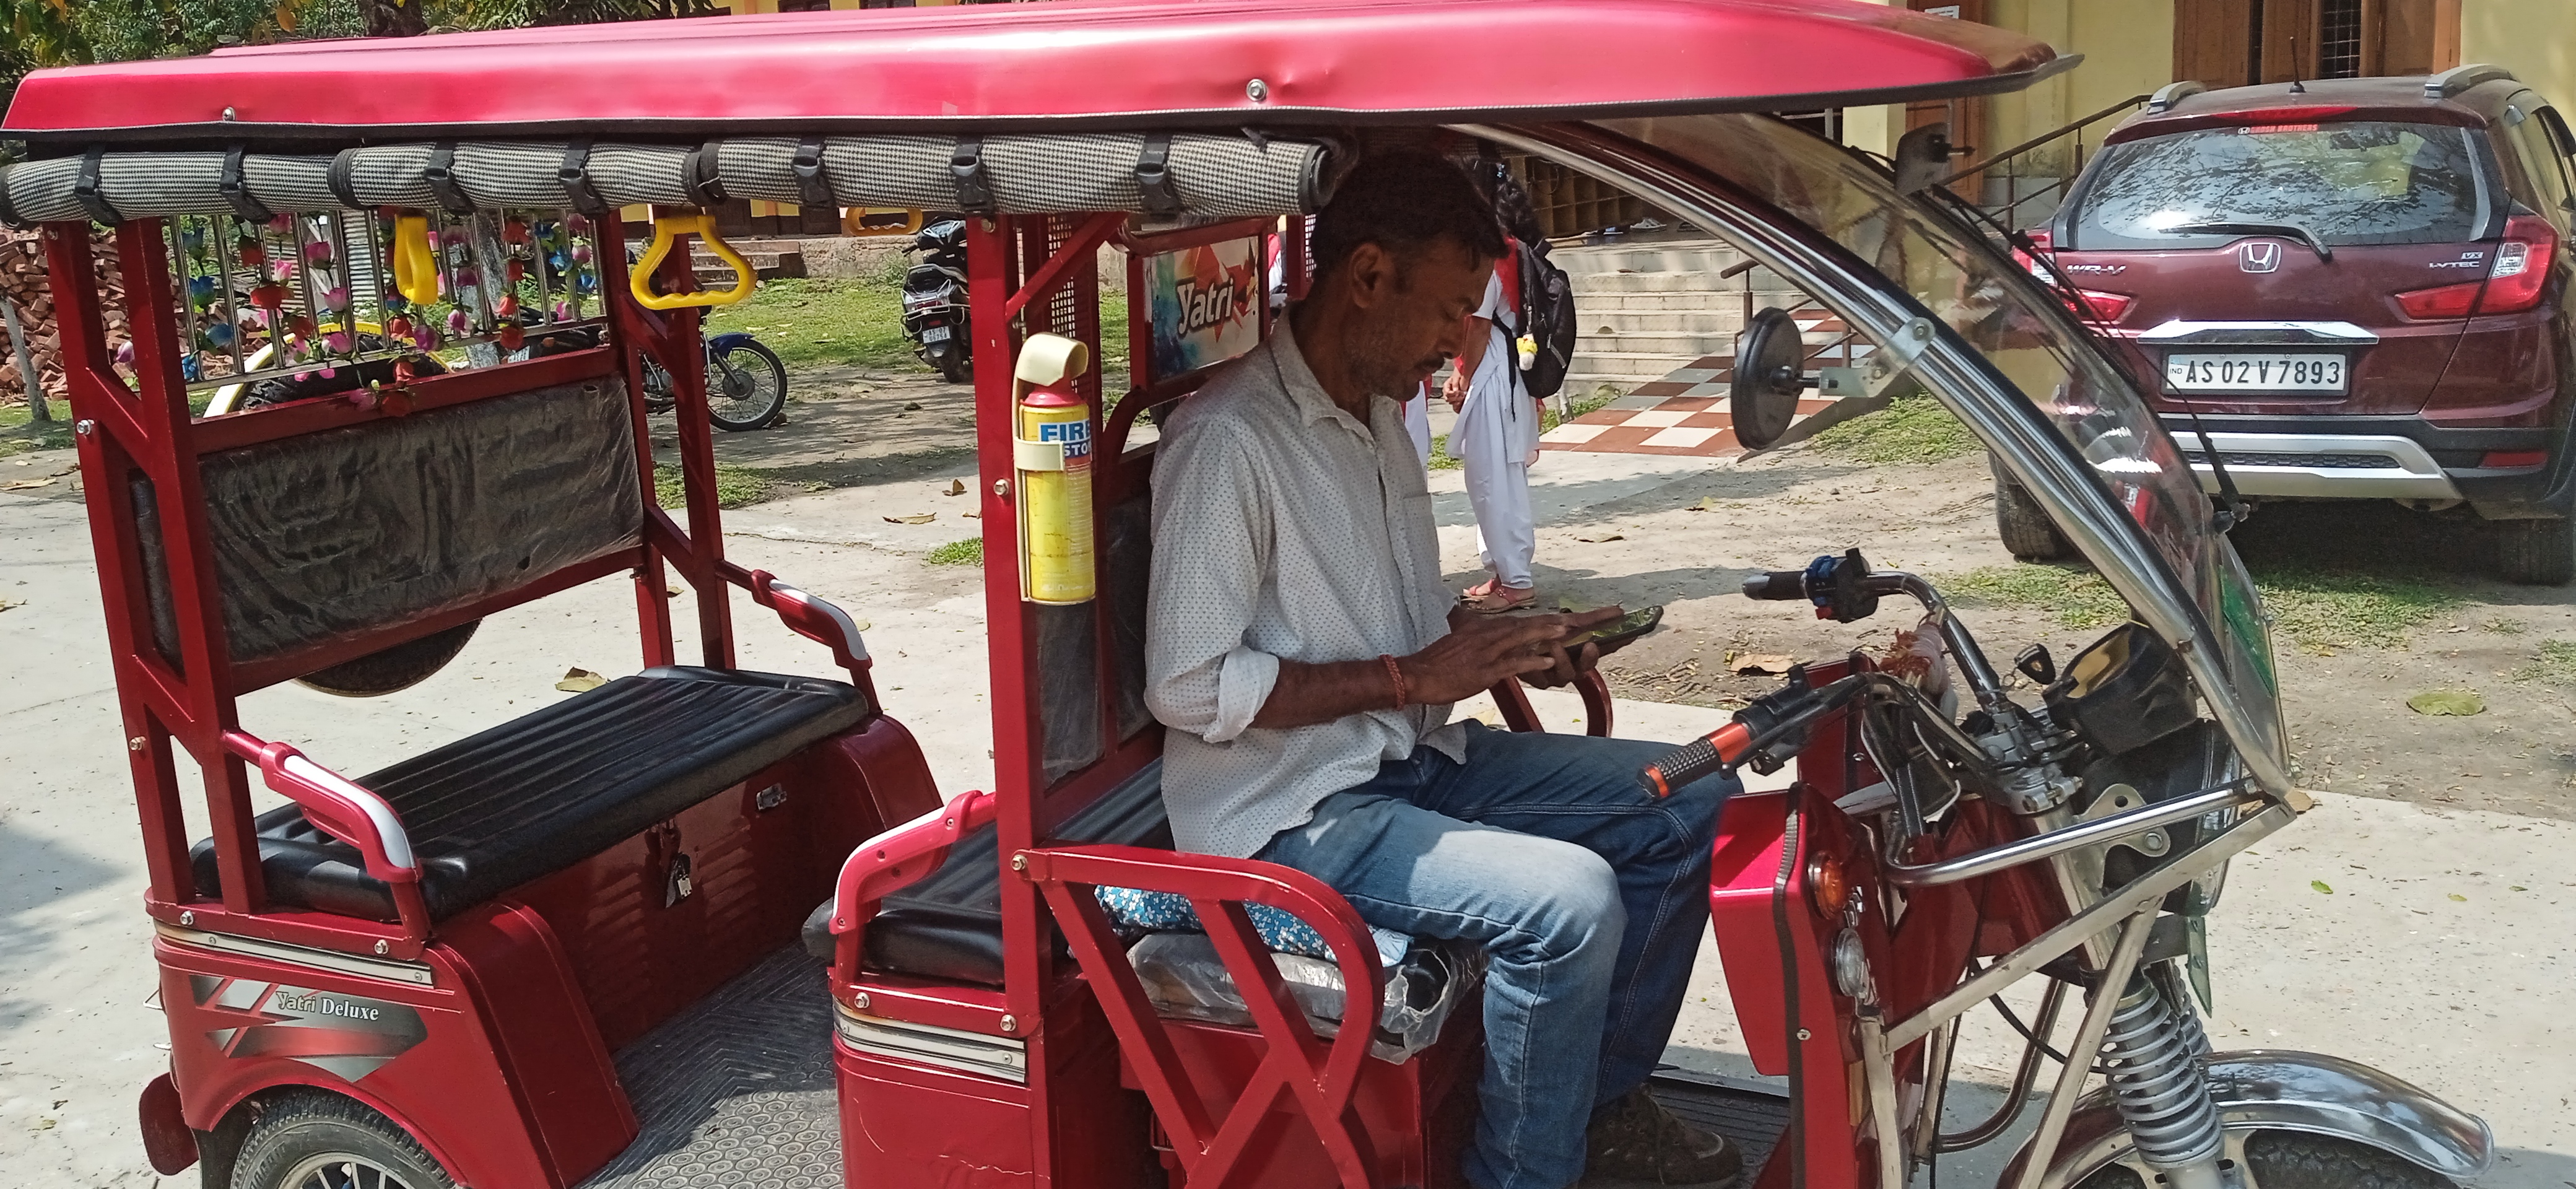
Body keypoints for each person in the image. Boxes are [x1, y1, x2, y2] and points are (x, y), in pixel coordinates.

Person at [1144, 151, 1743, 1189]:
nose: (1455, 343)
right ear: (1368, 277)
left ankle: (1589, 1109)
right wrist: (1410, 676)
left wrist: (1514, 640)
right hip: (1290, 810)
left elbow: (1405, 629)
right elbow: (1189, 688)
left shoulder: (1378, 417)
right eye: (1449, 311)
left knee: (1691, 798)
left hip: (1409, 756)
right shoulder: (1231, 442)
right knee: (1566, 904)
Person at [1445, 244, 1542, 612]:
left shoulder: (1493, 256)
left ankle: (1516, 581)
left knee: (1494, 481)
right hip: (1503, 372)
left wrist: (1463, 378)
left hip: (1495, 374)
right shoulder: (1513, 251)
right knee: (1493, 478)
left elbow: (1480, 325)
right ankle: (1505, 573)